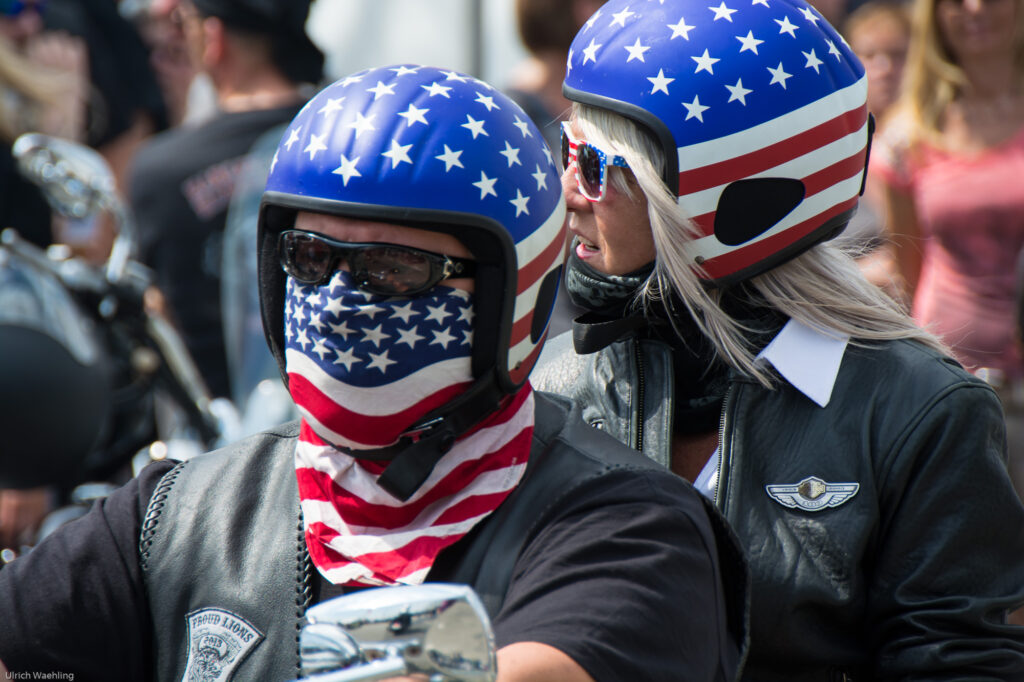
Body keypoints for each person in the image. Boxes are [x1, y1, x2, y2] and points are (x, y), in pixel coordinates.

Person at [0, 64, 747, 682]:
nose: (335, 300)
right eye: (309, 257)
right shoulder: (180, 514)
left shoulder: (629, 529)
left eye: (392, 268)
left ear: (511, 294)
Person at [530, 0, 1024, 678]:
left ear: (717, 197)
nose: (566, 191)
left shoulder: (920, 413)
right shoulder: (548, 391)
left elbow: (956, 662)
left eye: (593, 164)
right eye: (566, 151)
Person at [128, 0, 324, 399]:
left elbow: (156, 310)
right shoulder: (345, 140)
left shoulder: (161, 169)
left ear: (213, 38)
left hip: (217, 420)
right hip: (334, 399)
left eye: (184, 22)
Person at [872, 0, 1024, 498]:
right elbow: (909, 265)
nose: (975, 9)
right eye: (955, 1)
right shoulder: (908, 134)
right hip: (953, 378)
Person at [839, 0, 911, 299]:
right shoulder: (834, 149)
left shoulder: (942, 143)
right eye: (869, 55)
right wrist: (856, 276)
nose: (885, 69)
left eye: (898, 55)